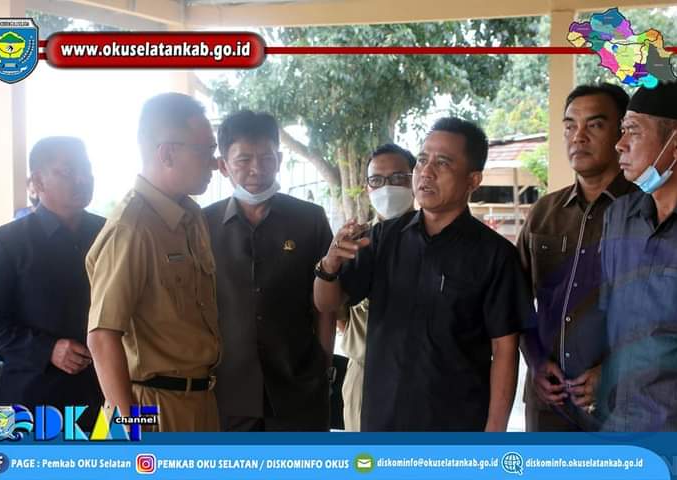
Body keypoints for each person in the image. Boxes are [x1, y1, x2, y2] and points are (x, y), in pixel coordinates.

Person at [314, 118, 534, 431]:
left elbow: (505, 350)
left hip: (454, 426)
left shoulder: (495, 255)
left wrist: (494, 433)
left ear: (473, 180)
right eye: (422, 160)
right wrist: (329, 266)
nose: (426, 172)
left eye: (443, 162)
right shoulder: (382, 239)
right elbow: (327, 303)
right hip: (382, 420)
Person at [86, 93, 221, 431]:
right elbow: (102, 337)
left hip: (199, 400)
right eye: (206, 151)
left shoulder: (191, 217)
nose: (214, 163)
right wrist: (131, 428)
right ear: (167, 154)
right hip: (152, 407)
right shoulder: (131, 228)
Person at [204, 110, 335, 431]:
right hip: (226, 391)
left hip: (299, 387)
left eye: (266, 158)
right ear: (223, 166)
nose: (256, 169)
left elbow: (325, 305)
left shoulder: (310, 220)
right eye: (243, 160)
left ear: (279, 159)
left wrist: (323, 363)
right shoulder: (201, 225)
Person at [517, 84, 635, 431]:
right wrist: (535, 361)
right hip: (548, 404)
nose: (578, 137)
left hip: (622, 404)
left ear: (622, 134)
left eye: (594, 125)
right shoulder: (544, 213)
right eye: (570, 126)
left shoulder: (647, 211)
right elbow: (514, 299)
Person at [0, 136, 103, 419]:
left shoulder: (109, 235)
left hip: (104, 393)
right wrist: (47, 349)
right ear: (38, 181)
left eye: (86, 169)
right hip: (32, 399)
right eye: (67, 171)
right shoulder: (8, 242)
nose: (82, 179)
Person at [599, 79, 677, 431]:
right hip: (616, 423)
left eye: (633, 131)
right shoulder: (619, 217)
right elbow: (611, 314)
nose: (619, 143)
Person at [340, 143, 415, 431]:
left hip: (424, 378)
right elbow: (337, 310)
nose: (388, 188)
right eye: (377, 180)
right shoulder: (356, 242)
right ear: (367, 187)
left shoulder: (437, 241)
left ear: (415, 179)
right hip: (366, 375)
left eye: (398, 178)